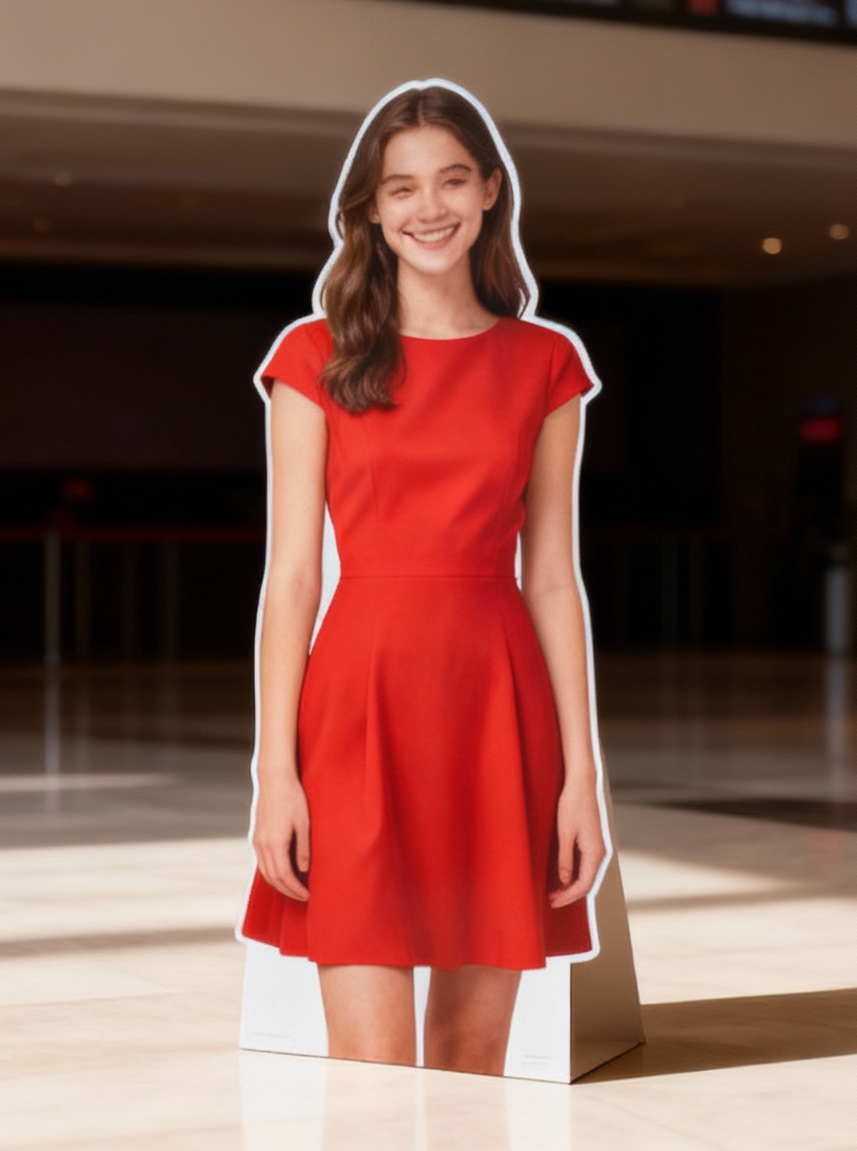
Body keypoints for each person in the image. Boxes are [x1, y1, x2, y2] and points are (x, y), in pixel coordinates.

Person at [238, 81, 607, 1077]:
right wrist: (275, 772)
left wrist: (581, 777)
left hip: (496, 712)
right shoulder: (312, 358)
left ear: (490, 191)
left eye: (451, 180)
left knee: (467, 1079)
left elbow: (553, 581)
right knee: (368, 1081)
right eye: (399, 188)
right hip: (355, 716)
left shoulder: (544, 364)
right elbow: (291, 578)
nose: (427, 207)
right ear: (366, 208)